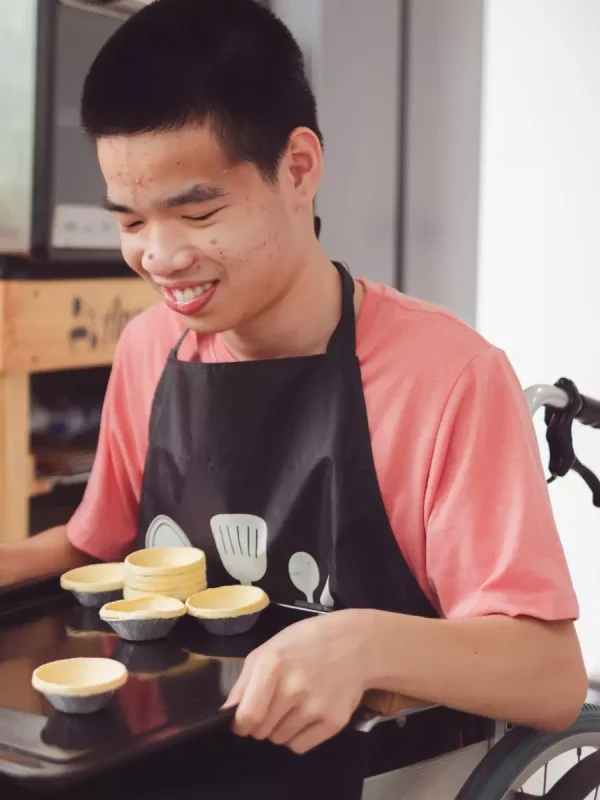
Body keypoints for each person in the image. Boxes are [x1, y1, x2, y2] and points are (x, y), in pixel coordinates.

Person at [0, 0, 587, 796]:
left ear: (299, 167)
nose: (160, 256)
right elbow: (99, 549)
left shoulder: (445, 376)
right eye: (131, 219)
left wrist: (363, 645)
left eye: (197, 211)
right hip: (165, 762)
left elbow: (549, 674)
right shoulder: (150, 349)